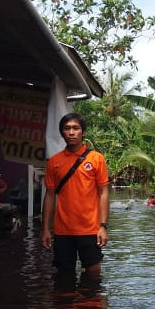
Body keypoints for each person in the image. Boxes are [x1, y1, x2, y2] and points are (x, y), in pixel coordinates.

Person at [41, 113, 110, 275]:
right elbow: (50, 195)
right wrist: (45, 228)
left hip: (91, 229)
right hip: (62, 230)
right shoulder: (54, 162)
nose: (71, 132)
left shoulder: (96, 159)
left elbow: (104, 193)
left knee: (94, 273)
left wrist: (103, 226)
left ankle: (91, 301)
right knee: (64, 275)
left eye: (75, 128)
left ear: (83, 132)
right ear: (62, 133)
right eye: (67, 128)